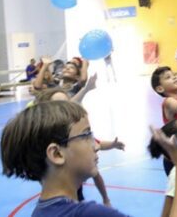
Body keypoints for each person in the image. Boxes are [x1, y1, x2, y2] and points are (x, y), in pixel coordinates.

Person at [1, 100, 177, 217]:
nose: (95, 145)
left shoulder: (41, 211)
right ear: (57, 154)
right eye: (86, 135)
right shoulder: (87, 214)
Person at [31, 79, 124, 207]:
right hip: (62, 192)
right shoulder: (46, 139)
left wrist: (112, 145)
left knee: (95, 174)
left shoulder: (76, 133)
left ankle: (105, 198)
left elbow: (98, 144)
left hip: (74, 190)